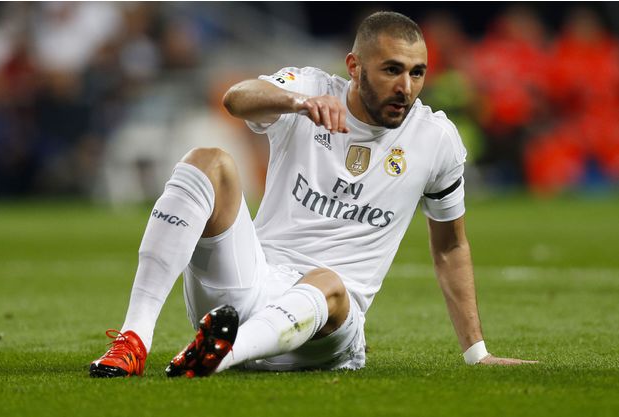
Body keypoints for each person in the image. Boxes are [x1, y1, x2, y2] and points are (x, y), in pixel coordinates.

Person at [89, 11, 536, 378]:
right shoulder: (310, 90)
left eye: (417, 72)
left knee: (328, 281)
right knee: (208, 160)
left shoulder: (435, 138)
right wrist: (296, 105)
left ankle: (218, 355)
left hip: (329, 328)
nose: (406, 87)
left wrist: (477, 352)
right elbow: (235, 98)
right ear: (354, 66)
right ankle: (134, 339)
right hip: (248, 288)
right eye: (392, 70)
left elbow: (451, 247)